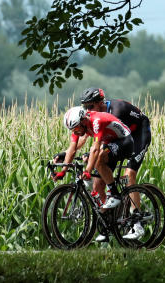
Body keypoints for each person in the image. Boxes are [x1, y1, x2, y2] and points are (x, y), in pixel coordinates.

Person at [79, 87, 152, 240]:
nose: (87, 110)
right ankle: (108, 226)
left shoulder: (116, 110)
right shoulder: (93, 117)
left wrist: (93, 156)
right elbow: (85, 137)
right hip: (118, 139)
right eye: (85, 107)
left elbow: (106, 141)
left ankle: (137, 224)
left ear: (100, 103)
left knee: (129, 175)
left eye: (90, 106)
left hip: (138, 135)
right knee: (98, 184)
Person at [57, 105, 135, 242]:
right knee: (97, 188)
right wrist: (62, 171)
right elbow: (72, 149)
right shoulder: (79, 125)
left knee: (98, 159)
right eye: (73, 130)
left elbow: (95, 148)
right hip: (110, 143)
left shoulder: (96, 120)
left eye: (76, 128)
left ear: (83, 120)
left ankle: (115, 194)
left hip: (124, 141)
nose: (76, 131)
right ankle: (108, 226)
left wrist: (87, 171)